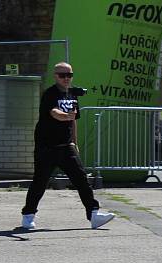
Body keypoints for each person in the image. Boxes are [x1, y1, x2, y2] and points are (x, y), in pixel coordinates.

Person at [21, 62, 114, 230]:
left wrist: (74, 142)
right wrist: (65, 116)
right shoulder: (50, 94)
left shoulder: (72, 94)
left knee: (81, 179)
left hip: (66, 145)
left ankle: (94, 214)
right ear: (55, 76)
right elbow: (54, 112)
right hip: (47, 146)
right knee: (40, 181)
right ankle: (28, 215)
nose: (66, 78)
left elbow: (73, 121)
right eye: (62, 75)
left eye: (69, 75)